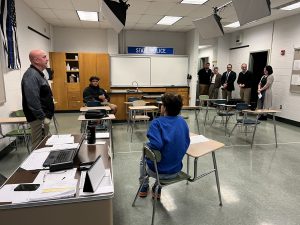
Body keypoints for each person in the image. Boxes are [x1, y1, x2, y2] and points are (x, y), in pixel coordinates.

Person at [138, 93, 190, 199]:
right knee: (166, 154)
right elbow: (186, 142)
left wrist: (147, 145)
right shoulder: (182, 122)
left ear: (164, 107)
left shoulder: (156, 123)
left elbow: (156, 144)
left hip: (158, 172)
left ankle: (144, 185)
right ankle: (157, 188)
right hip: (176, 170)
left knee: (144, 153)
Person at [21, 50, 54, 150]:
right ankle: (35, 165)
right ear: (36, 60)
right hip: (38, 118)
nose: (47, 59)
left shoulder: (38, 74)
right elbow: (32, 100)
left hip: (43, 116)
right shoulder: (31, 75)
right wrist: (43, 118)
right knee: (38, 145)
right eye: (44, 57)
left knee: (44, 142)